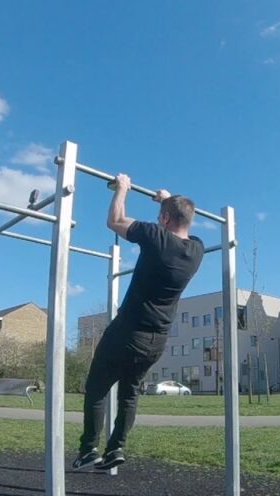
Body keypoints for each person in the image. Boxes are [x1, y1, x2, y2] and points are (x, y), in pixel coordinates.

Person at [72, 173, 204, 471]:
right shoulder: (196, 251)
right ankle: (116, 448)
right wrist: (167, 201)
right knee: (129, 392)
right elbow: (179, 226)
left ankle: (88, 449)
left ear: (165, 219)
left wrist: (122, 189)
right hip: (157, 340)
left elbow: (115, 220)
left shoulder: (155, 237)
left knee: (97, 388)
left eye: (162, 217)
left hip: (127, 330)